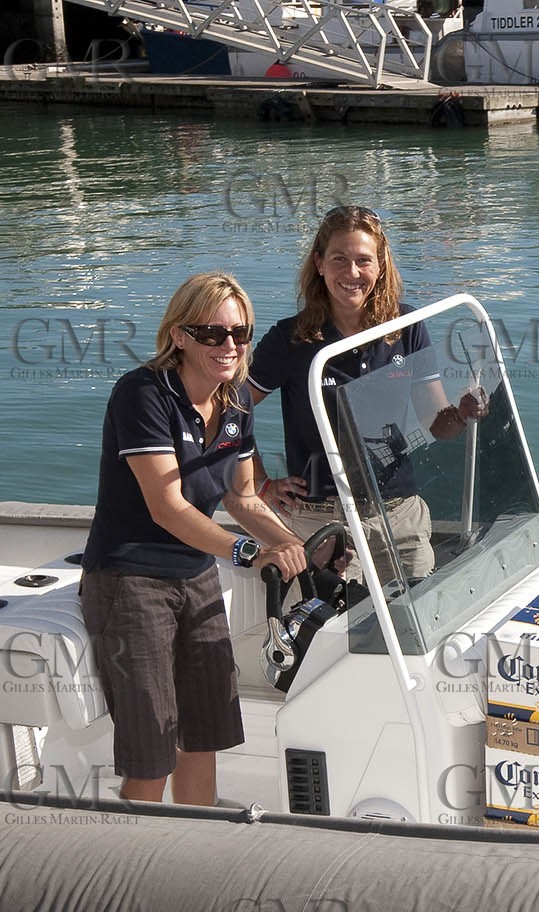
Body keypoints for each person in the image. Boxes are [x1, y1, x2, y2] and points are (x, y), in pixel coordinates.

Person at [81, 272, 308, 806]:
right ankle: (134, 876)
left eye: (240, 333)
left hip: (196, 574)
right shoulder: (142, 394)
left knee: (202, 738)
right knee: (152, 750)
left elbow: (243, 497)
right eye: (212, 333)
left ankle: (193, 859)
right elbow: (169, 507)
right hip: (129, 580)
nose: (228, 346)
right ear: (179, 335)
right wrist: (249, 552)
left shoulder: (236, 404)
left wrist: (302, 544)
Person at [247, 205, 481, 586]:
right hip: (322, 519)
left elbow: (436, 424)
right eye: (340, 259)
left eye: (363, 261)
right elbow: (229, 410)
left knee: (418, 624)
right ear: (319, 264)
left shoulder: (408, 326)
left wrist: (464, 413)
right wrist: (260, 482)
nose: (352, 273)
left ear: (381, 265)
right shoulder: (290, 338)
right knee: (336, 633)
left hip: (400, 516)